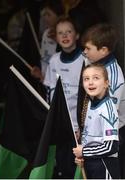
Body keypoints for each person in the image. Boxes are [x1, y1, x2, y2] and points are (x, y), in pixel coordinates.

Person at [79, 22, 125, 178]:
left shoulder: (114, 76)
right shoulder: (94, 64)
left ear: (104, 50)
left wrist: (85, 150)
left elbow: (106, 113)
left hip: (108, 141)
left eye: (88, 49)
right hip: (92, 144)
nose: (84, 52)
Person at [43, 15, 85, 178]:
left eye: (69, 31)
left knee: (77, 165)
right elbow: (49, 90)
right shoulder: (54, 61)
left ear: (77, 35)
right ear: (55, 37)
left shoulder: (85, 59)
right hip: (60, 124)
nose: (65, 36)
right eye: (60, 33)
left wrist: (83, 126)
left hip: (79, 126)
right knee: (61, 163)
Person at [73, 63, 120, 179]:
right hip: (91, 163)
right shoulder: (88, 102)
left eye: (96, 78)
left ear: (106, 83)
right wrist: (83, 157)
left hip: (105, 166)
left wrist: (84, 152)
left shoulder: (108, 109)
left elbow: (111, 146)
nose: (90, 82)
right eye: (86, 79)